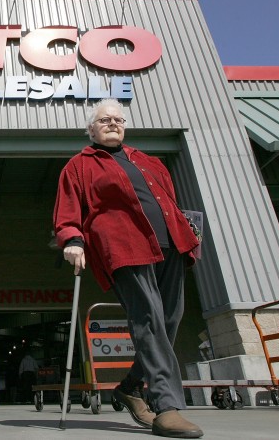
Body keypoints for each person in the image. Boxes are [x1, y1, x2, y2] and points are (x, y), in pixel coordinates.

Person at [53, 98, 203, 438]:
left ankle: (131, 386)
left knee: (169, 320)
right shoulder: (79, 166)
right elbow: (67, 212)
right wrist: (72, 239)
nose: (112, 124)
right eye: (104, 120)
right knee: (149, 319)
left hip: (170, 247)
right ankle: (168, 408)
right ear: (91, 129)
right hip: (123, 247)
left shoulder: (150, 162)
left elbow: (170, 204)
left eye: (118, 120)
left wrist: (188, 235)